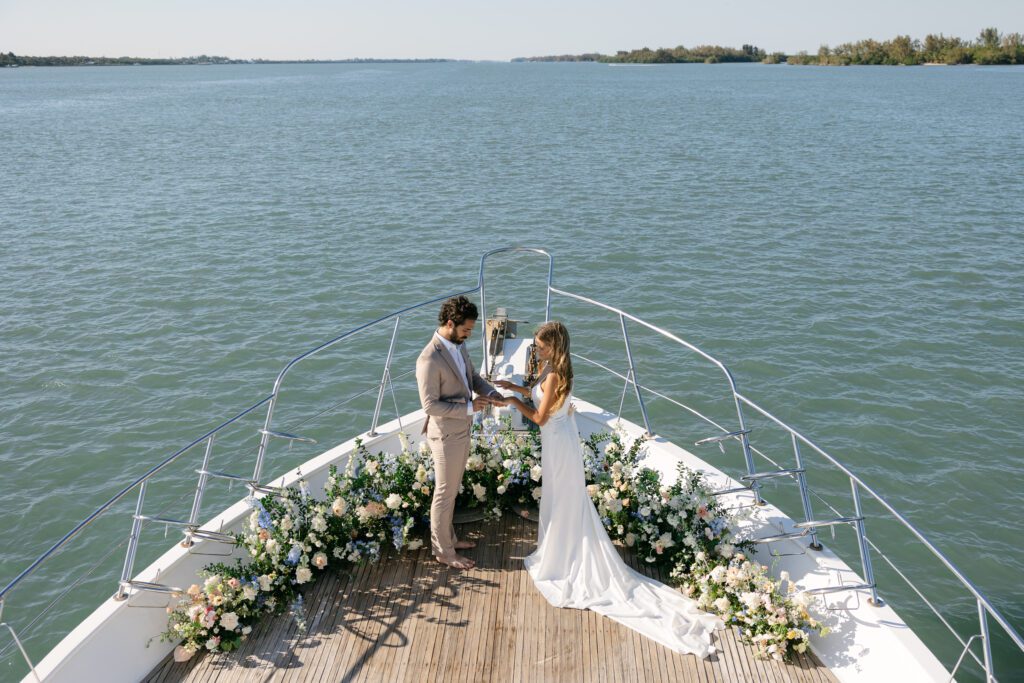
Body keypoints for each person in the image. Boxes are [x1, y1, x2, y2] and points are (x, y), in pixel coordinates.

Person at [496, 321, 722, 657]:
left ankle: (563, 558)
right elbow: (539, 397)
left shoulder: (556, 374)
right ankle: (558, 550)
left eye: (542, 346)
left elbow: (540, 418)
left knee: (564, 500)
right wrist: (515, 389)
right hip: (558, 442)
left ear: (554, 347)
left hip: (558, 444)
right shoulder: (550, 369)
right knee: (560, 500)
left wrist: (514, 402)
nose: (537, 350)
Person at [416, 295, 504, 570]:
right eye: (465, 330)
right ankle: (443, 551)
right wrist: (468, 407)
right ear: (450, 324)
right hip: (445, 436)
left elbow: (472, 377)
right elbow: (430, 404)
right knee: (444, 493)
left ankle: (449, 539)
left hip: (461, 430)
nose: (468, 336)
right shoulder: (429, 359)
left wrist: (490, 392)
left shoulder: (458, 346)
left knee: (451, 491)